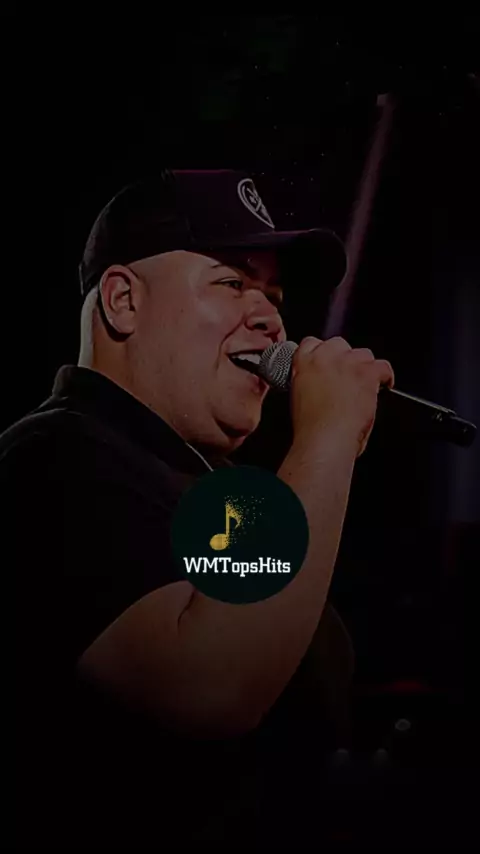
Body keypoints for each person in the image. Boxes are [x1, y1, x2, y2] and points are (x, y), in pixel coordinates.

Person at [6, 169, 394, 846]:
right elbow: (212, 687)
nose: (272, 319)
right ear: (124, 301)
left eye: (275, 295)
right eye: (233, 282)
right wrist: (327, 438)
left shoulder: (219, 487)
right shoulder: (50, 458)